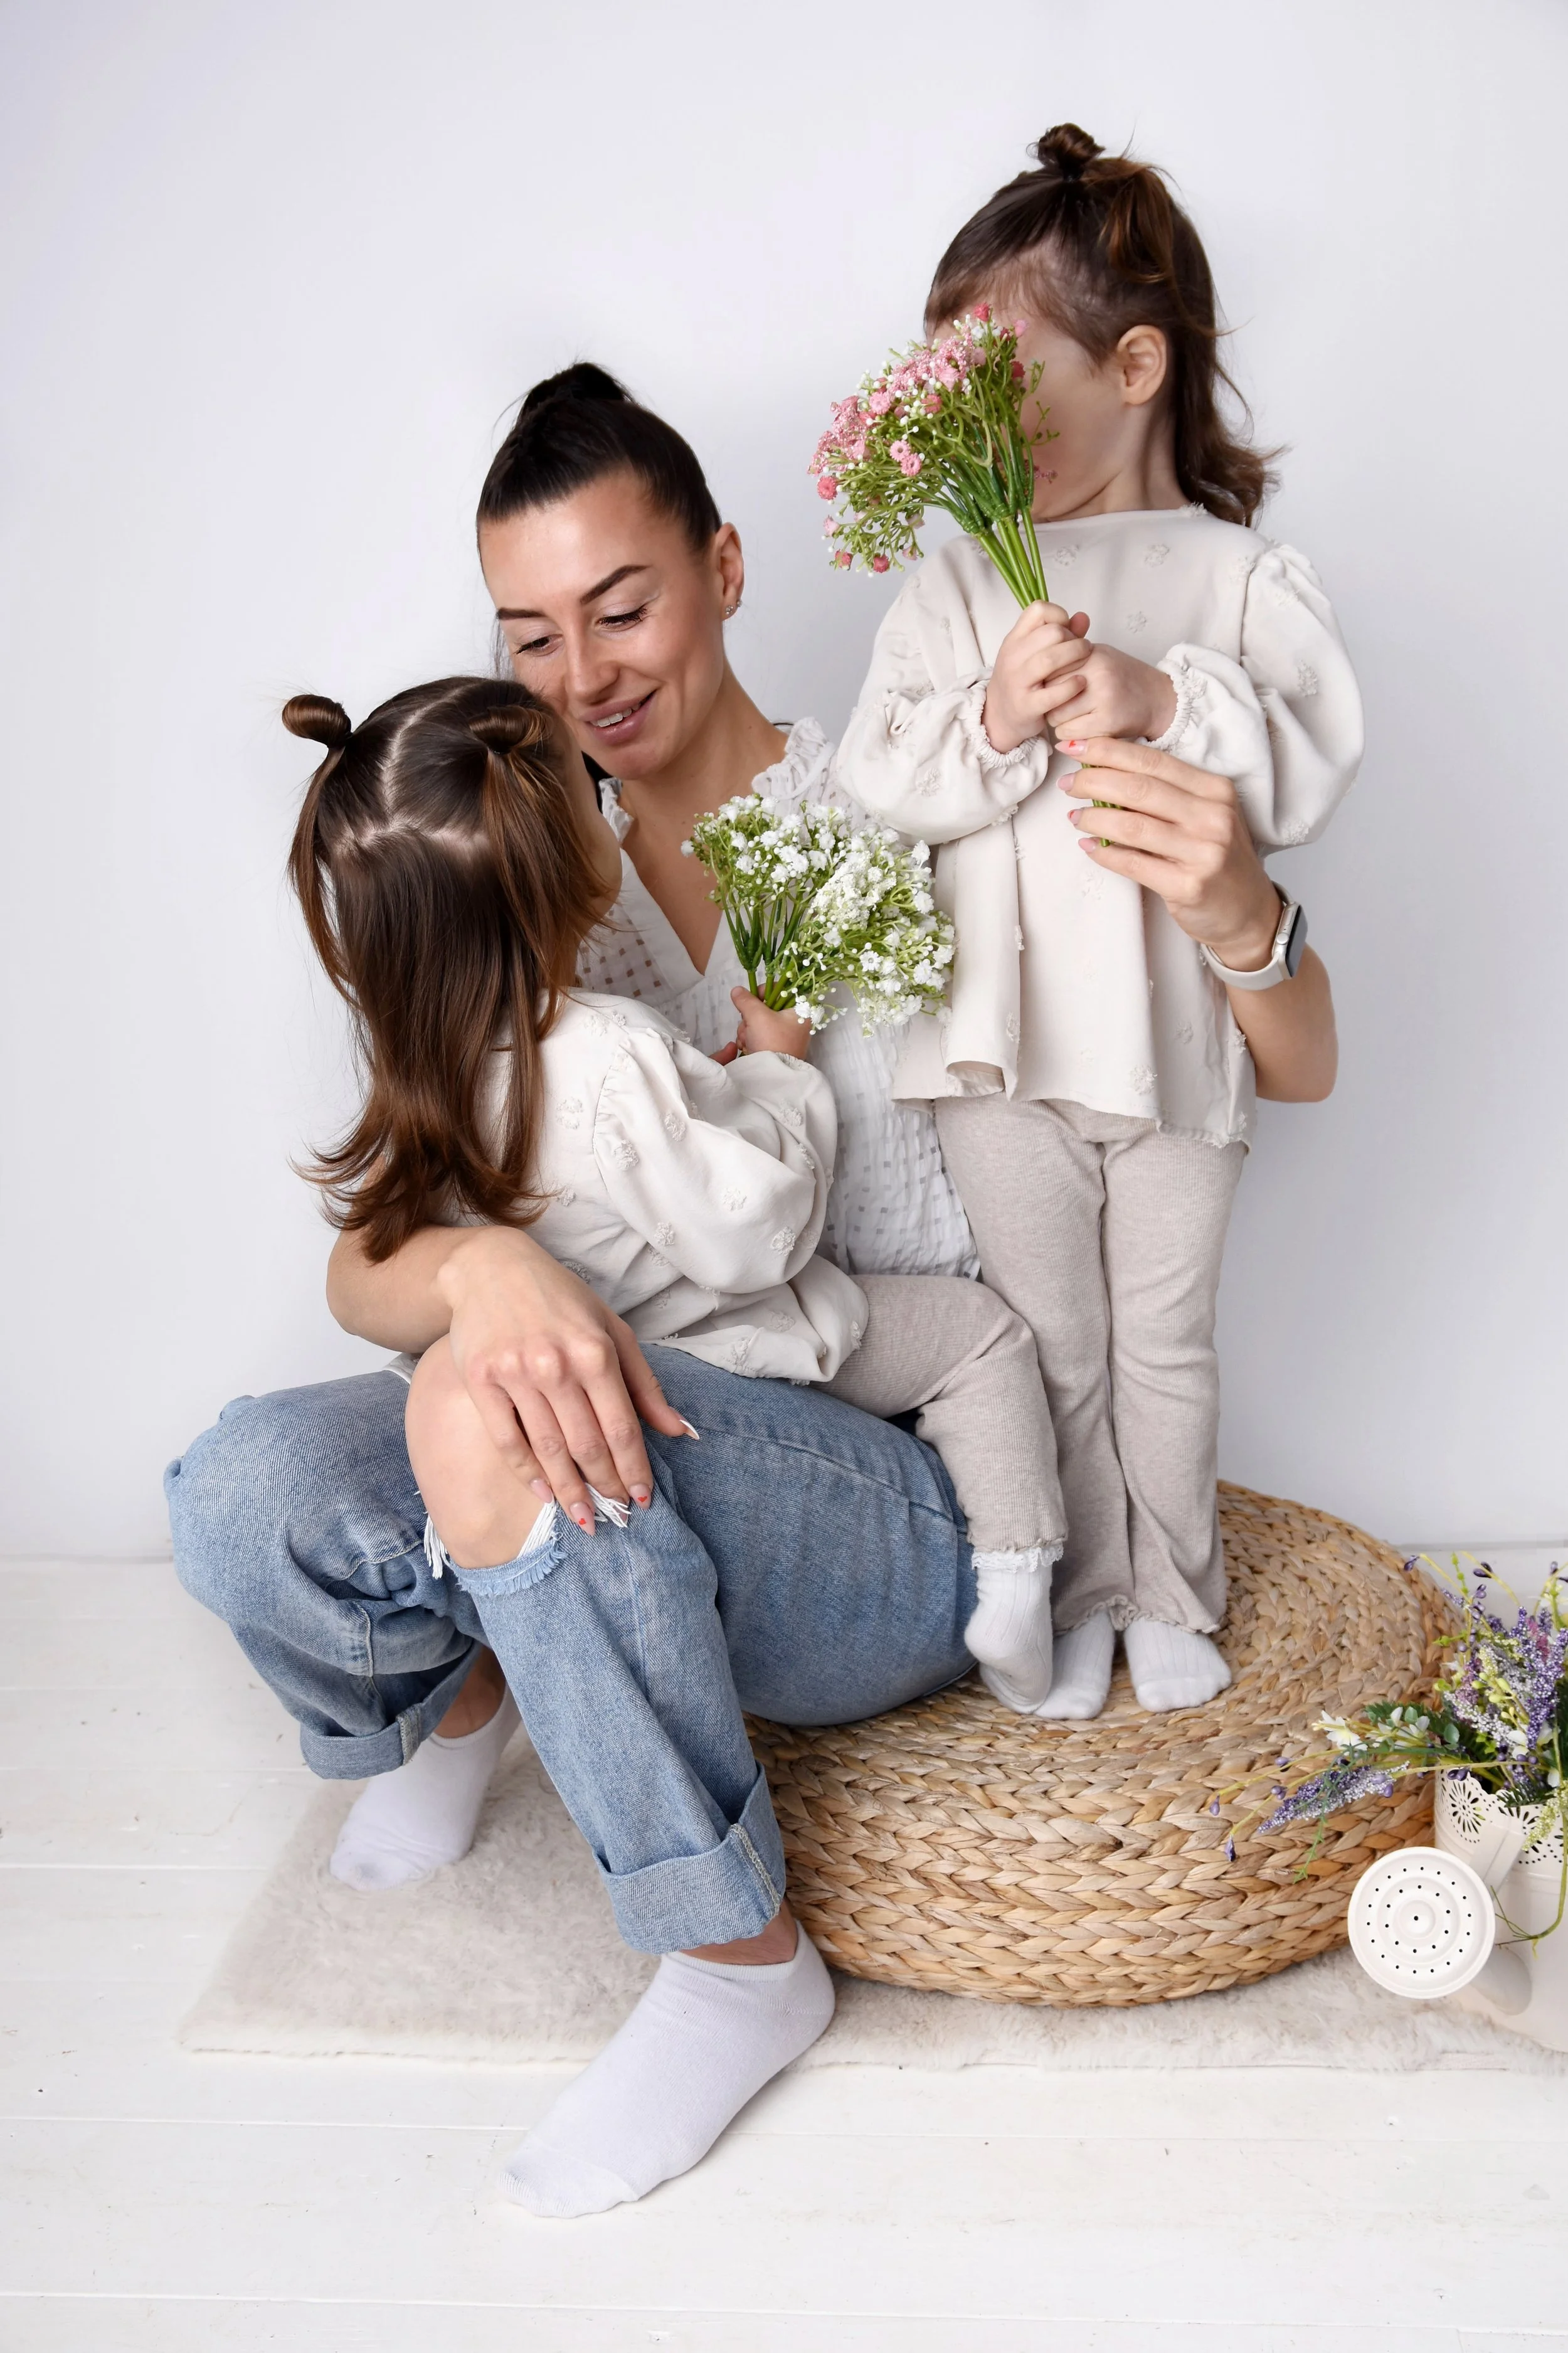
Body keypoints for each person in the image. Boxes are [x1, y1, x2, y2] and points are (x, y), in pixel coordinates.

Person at [166, 365, 1337, 2217]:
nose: (583, 674)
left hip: (908, 1471)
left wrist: (1244, 906)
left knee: (486, 1409)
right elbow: (367, 1246)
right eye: (529, 633)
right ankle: (451, 1702)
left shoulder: (903, 787)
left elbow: (1283, 1058)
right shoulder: (511, 872)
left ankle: (729, 1965)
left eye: (622, 606)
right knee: (249, 1488)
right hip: (650, 1427)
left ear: (720, 569)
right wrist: (486, 1266)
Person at [837, 123, 1359, 1723]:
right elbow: (877, 780)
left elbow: (1308, 755)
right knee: (1049, 1343)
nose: (967, 430)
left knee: (1164, 1344)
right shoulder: (950, 587)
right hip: (998, 1057)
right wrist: (994, 718)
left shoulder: (1236, 575)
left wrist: (1163, 697)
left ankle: (1170, 1589)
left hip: (1180, 1053)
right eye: (942, 398)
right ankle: (1074, 1588)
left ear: (1133, 366)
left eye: (997, 383)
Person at [283, 671, 1064, 1699]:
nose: (607, 797)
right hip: (736, 1358)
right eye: (582, 787)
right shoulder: (607, 1052)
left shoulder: (433, 1070)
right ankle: (1015, 1586)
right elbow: (761, 1233)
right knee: (981, 1335)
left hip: (604, 1388)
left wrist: (722, 1088)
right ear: (562, 863)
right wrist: (780, 1062)